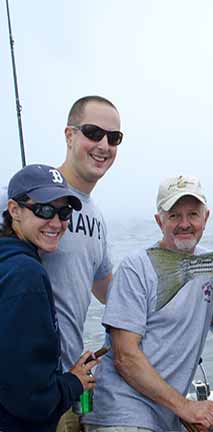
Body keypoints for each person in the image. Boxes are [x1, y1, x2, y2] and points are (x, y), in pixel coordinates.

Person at [0, 95, 122, 432]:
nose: (103, 145)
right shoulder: (22, 193)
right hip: (25, 394)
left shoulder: (96, 218)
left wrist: (155, 307)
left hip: (68, 386)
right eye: (93, 132)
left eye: (114, 138)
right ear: (69, 136)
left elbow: (103, 285)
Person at [82, 175, 213, 432]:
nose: (185, 224)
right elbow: (125, 357)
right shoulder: (136, 267)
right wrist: (185, 407)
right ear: (159, 221)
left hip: (167, 417)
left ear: (206, 218)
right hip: (121, 415)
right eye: (174, 215)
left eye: (193, 214)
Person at [0, 164, 99, 432]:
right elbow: (30, 397)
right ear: (14, 210)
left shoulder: (8, 263)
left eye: (64, 211)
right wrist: (74, 382)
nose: (56, 222)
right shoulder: (26, 275)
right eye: (44, 210)